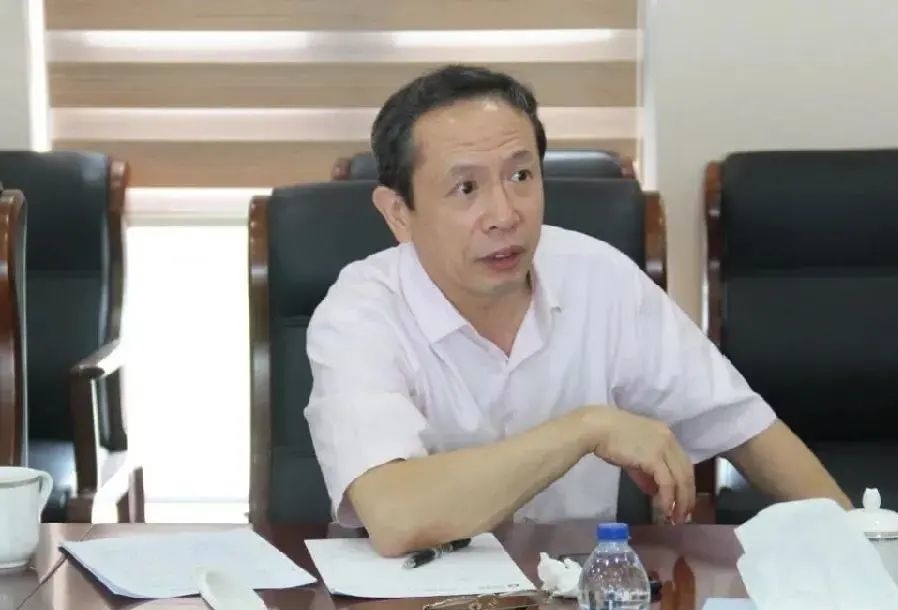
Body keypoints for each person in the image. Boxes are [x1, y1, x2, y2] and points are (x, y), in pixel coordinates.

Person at [304, 64, 851, 556]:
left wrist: (862, 550)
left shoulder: (597, 275)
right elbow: (396, 516)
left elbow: (744, 427)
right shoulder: (360, 313)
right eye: (466, 187)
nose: (504, 215)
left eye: (521, 176)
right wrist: (586, 429)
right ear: (399, 213)